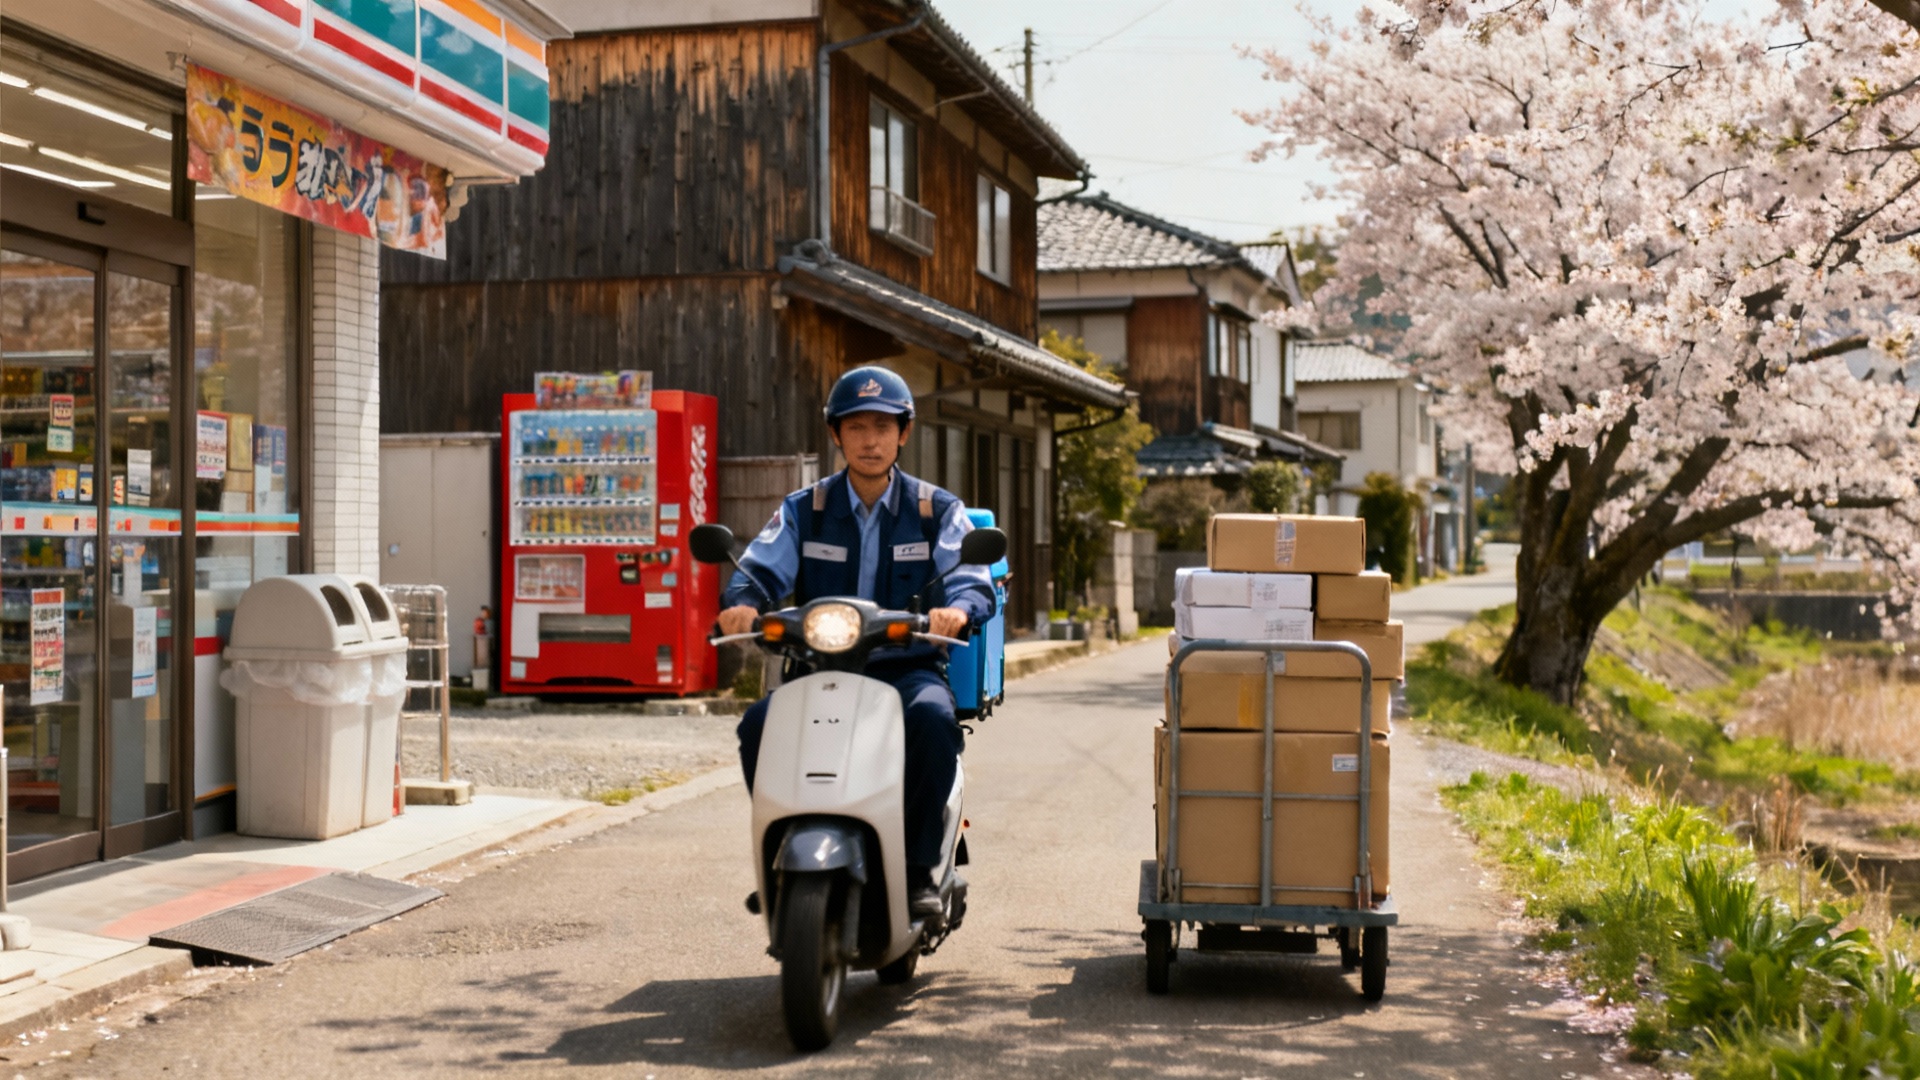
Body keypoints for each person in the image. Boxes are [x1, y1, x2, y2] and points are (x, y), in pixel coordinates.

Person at [720, 365, 994, 919]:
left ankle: (918, 870)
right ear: (835, 434)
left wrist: (956, 612)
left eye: (883, 426)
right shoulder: (805, 509)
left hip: (907, 668)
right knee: (757, 727)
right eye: (857, 427)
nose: (870, 440)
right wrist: (742, 603)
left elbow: (970, 581)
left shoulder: (936, 510)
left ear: (904, 433)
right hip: (821, 668)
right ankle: (781, 852)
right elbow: (758, 569)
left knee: (933, 723)